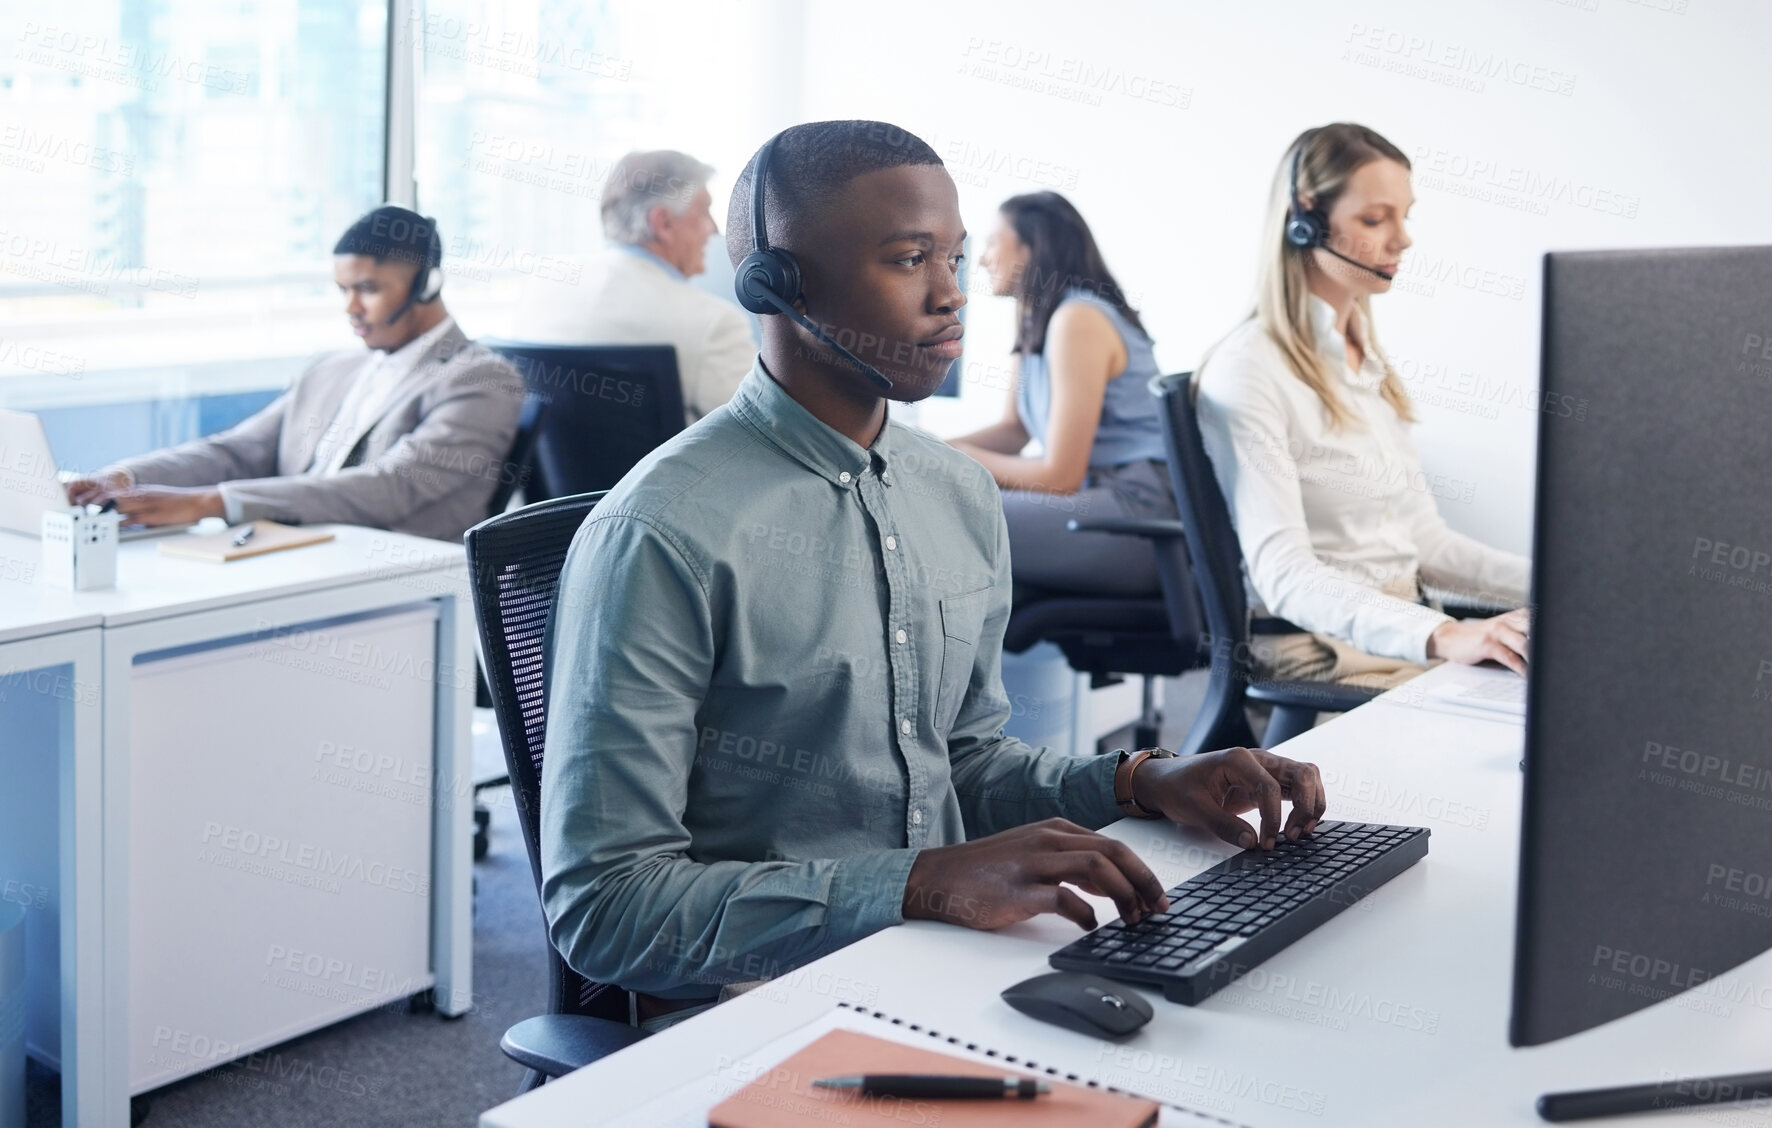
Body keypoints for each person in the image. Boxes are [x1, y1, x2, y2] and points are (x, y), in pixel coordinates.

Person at [539, 120, 1327, 1031]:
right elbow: (605, 908)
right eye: (911, 259)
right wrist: (919, 883)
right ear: (777, 286)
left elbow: (959, 762)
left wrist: (1140, 782)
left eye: (954, 256)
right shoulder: (662, 533)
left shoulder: (954, 490)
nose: (954, 295)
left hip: (951, 960)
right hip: (759, 1005)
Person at [1194, 124, 1531, 691]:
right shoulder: (1250, 367)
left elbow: (1427, 545)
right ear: (1305, 220)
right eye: (1375, 220)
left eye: (1405, 216)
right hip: (1326, 654)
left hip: (1407, 635)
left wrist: (1567, 585)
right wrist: (1444, 635)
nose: (1402, 240)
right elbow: (1285, 576)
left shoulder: (1365, 360)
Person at [66, 205, 523, 543]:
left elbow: (389, 487)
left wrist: (213, 502)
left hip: (385, 577)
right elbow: (238, 451)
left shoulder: (480, 380)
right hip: (286, 552)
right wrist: (124, 479)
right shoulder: (334, 368)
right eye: (344, 290)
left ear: (427, 284)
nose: (350, 308)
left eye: (368, 289)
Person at [947, 192, 1177, 599]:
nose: (980, 259)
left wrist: (958, 458)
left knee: (943, 515)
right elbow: (1014, 430)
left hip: (1139, 515)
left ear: (1034, 246)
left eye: (993, 243)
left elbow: (1060, 477)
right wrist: (927, 451)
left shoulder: (1079, 319)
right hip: (1099, 499)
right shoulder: (1037, 318)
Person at [507, 149, 755, 425]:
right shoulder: (714, 324)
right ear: (663, 223)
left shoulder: (541, 293)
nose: (713, 229)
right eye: (703, 211)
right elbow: (766, 434)